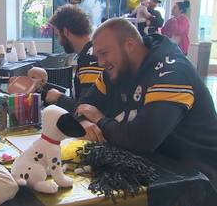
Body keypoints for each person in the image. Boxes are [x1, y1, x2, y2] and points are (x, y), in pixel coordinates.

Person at [76, 18, 217, 187]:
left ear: (129, 45)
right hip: (151, 169)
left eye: (104, 53)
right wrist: (83, 122)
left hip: (198, 179)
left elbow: (141, 140)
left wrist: (99, 120)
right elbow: (84, 106)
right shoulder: (115, 71)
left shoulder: (172, 71)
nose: (100, 62)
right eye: (97, 55)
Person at [45, 5, 103, 113]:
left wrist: (59, 98)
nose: (59, 41)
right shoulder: (87, 54)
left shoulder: (89, 59)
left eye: (58, 35)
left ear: (66, 31)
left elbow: (88, 109)